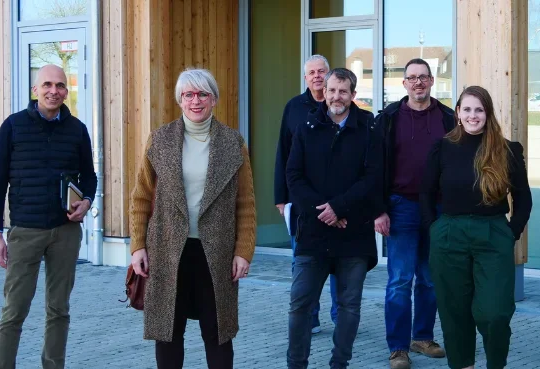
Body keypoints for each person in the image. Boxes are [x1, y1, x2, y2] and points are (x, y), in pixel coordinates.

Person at [129, 68, 257, 368]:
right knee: (168, 332)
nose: (195, 101)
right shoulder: (159, 140)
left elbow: (246, 203)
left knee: (218, 333)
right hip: (167, 250)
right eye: (188, 95)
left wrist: (244, 251)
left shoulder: (232, 143)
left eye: (203, 94)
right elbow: (140, 197)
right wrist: (137, 246)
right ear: (180, 100)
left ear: (214, 100)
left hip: (217, 253)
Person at [0, 64, 96, 369]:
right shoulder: (13, 126)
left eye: (60, 85)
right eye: (47, 84)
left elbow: (89, 177)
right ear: (35, 90)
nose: (54, 90)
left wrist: (86, 202)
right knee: (14, 311)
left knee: (59, 310)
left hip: (65, 231)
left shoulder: (77, 129)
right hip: (25, 232)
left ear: (66, 91)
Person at [420, 85, 533, 369]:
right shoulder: (442, 148)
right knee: (454, 312)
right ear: (458, 113)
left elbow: (524, 199)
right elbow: (425, 193)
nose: (473, 116)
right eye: (467, 109)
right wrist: (434, 228)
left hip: (493, 235)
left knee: (494, 312)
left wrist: (510, 233)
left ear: (488, 113)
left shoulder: (507, 150)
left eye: (479, 110)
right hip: (449, 235)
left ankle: (496, 364)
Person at [285, 68, 382, 369]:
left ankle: (339, 364)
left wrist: (340, 208)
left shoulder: (369, 128)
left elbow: (374, 178)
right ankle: (296, 364)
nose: (336, 97)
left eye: (343, 91)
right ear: (323, 92)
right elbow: (294, 176)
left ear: (353, 95)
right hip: (313, 233)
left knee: (349, 306)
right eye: (332, 90)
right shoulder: (306, 127)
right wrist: (325, 211)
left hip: (354, 233)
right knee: (300, 303)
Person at [373, 58, 453, 369]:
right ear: (404, 83)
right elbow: (375, 167)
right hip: (400, 206)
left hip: (436, 207)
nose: (417, 83)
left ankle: (422, 337)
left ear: (432, 81)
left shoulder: (448, 118)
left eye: (423, 77)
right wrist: (378, 209)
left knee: (430, 279)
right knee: (400, 280)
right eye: (411, 78)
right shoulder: (389, 118)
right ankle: (398, 348)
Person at [275, 54, 339, 333]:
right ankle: (309, 317)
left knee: (340, 260)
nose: (316, 76)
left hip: (336, 200)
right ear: (305, 78)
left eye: (321, 71)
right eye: (311, 72)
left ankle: (341, 315)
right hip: (300, 200)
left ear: (329, 74)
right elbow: (283, 152)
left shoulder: (339, 106)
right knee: (303, 262)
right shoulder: (294, 107)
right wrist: (281, 197)